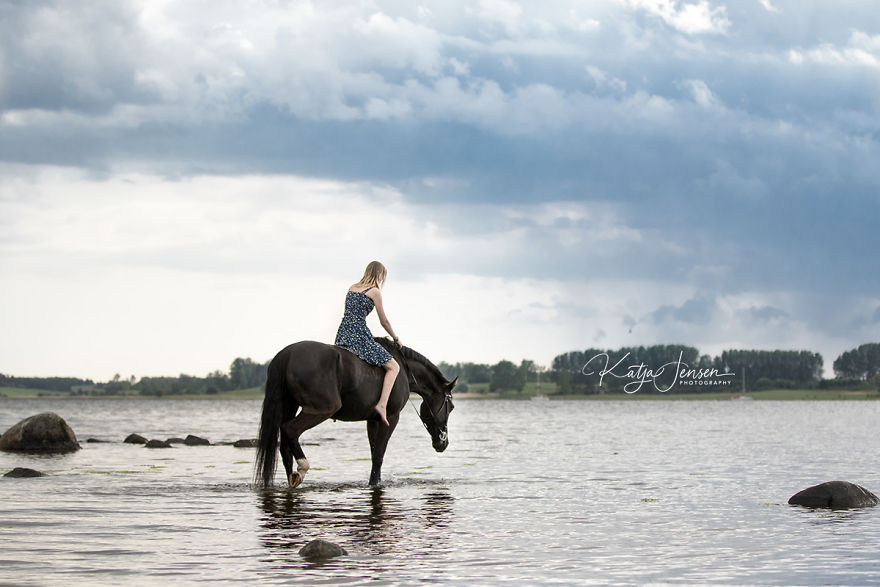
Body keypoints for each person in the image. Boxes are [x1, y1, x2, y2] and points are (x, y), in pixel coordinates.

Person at [334, 261, 401, 426]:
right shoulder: (375, 292)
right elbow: (383, 321)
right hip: (358, 334)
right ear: (379, 275)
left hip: (343, 333)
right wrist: (395, 338)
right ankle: (382, 405)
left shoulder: (352, 287)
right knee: (394, 367)